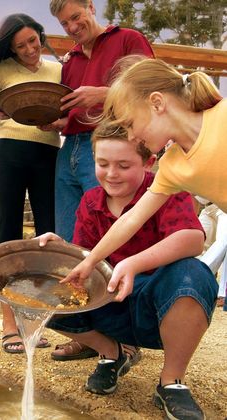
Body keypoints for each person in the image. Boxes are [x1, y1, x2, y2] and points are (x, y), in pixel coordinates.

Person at [39, 121, 218, 419]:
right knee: (48, 290)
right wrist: (59, 248)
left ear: (149, 162)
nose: (111, 174)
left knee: (194, 274)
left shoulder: (167, 189)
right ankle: (112, 354)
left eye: (123, 165)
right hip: (111, 304)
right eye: (102, 163)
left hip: (159, 305)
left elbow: (192, 239)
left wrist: (132, 263)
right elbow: (84, 260)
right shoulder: (91, 201)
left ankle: (171, 381)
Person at [62, 58, 225, 302]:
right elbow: (132, 218)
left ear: (157, 103)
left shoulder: (222, 116)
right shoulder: (172, 165)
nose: (131, 135)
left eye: (130, 123)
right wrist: (90, 261)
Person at [0, 13, 61, 353]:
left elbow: (66, 118)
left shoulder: (58, 70)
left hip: (48, 155)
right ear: (10, 47)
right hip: (8, 152)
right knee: (8, 233)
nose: (28, 50)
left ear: (41, 36)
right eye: (19, 46)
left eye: (32, 41)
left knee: (48, 235)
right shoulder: (0, 73)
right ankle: (9, 324)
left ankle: (37, 322)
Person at [41, 0, 154, 242]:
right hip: (69, 149)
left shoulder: (128, 39)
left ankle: (111, 280)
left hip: (112, 145)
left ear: (91, 7)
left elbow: (152, 89)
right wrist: (57, 123)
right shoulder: (70, 61)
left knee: (108, 232)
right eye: (64, 23)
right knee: (68, 236)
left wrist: (104, 93)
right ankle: (71, 280)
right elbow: (74, 112)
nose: (72, 26)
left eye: (76, 16)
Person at [197, 200, 227, 309]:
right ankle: (201, 282)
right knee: (197, 245)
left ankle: (222, 294)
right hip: (207, 208)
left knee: (223, 243)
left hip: (223, 207)